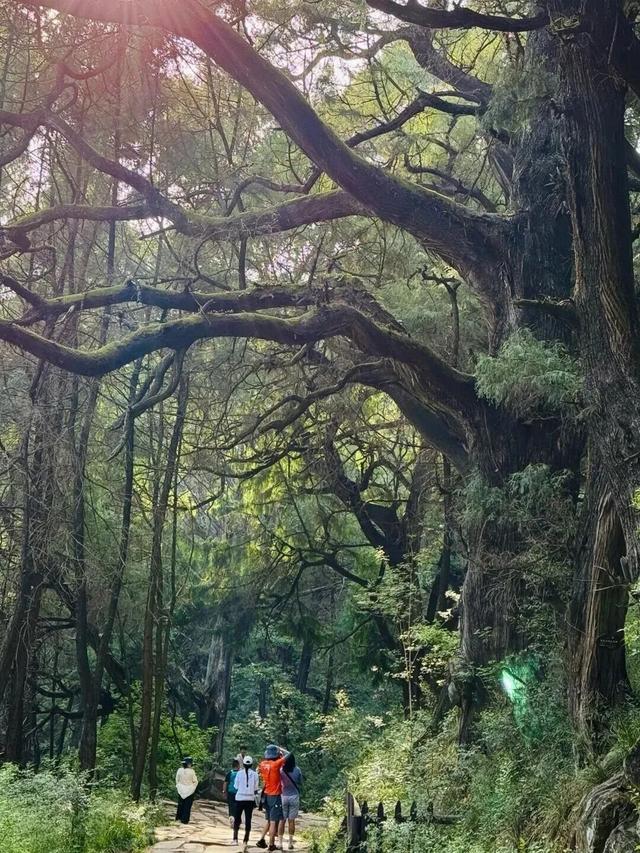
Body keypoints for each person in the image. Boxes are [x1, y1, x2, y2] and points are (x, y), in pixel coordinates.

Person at [258, 744, 288, 852]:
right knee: (274, 821)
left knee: (269, 820)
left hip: (266, 795)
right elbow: (289, 755)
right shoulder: (276, 764)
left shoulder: (262, 764)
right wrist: (280, 749)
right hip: (275, 795)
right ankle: (271, 844)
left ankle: (264, 840)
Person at [234, 755, 260, 852]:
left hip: (240, 798)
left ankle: (235, 838)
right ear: (252, 764)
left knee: (237, 818)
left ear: (243, 764)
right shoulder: (255, 774)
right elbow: (256, 788)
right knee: (248, 819)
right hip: (250, 799)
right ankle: (246, 839)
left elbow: (236, 786)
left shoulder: (239, 773)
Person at [280, 752, 302, 850]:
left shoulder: (281, 770)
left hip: (283, 796)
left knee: (282, 820)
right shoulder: (297, 770)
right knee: (291, 821)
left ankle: (280, 843)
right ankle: (290, 843)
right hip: (294, 796)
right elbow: (300, 782)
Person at [175, 757, 198, 824]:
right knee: (187, 805)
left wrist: (178, 786)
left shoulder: (179, 770)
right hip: (189, 790)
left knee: (180, 804)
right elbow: (195, 781)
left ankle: (178, 818)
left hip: (181, 789)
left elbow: (177, 779)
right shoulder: (192, 771)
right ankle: (184, 820)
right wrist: (193, 788)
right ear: (189, 764)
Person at [223, 758, 240, 828]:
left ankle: (231, 818)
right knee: (237, 807)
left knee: (231, 807)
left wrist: (224, 791)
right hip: (238, 793)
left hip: (230, 792)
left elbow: (225, 783)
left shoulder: (229, 773)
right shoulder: (240, 773)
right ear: (238, 766)